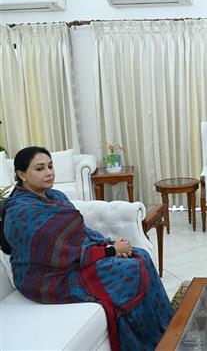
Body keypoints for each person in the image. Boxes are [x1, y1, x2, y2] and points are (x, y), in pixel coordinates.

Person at [0, 147, 172, 351]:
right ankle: (149, 342)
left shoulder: (55, 196)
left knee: (140, 255)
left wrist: (107, 243)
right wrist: (111, 251)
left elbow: (81, 233)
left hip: (70, 262)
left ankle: (167, 328)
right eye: (40, 168)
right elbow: (62, 254)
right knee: (130, 270)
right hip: (45, 276)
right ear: (21, 174)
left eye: (50, 166)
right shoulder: (21, 212)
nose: (49, 172)